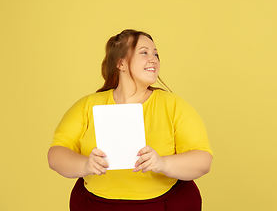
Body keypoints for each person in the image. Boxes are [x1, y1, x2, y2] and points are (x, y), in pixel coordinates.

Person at [47, 29, 213, 211]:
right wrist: (85, 165)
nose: (154, 59)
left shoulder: (173, 105)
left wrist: (162, 163)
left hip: (164, 203)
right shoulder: (88, 105)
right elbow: (56, 155)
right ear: (121, 63)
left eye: (156, 54)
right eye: (144, 52)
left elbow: (203, 160)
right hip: (96, 204)